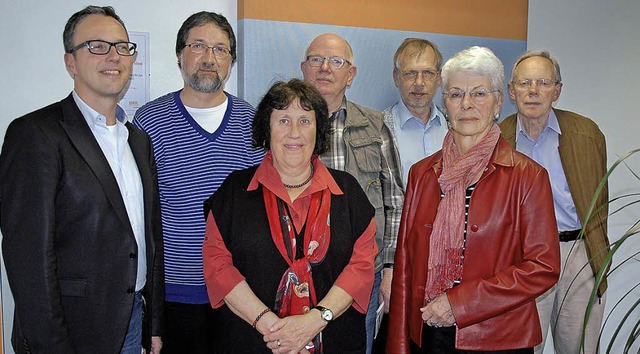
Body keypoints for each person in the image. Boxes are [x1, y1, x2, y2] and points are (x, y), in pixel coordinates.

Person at [0, 6, 163, 354]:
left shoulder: (137, 139)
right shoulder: (35, 134)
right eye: (97, 46)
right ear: (70, 62)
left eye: (122, 47)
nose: (114, 56)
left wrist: (154, 324)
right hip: (69, 332)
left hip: (132, 320)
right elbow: (28, 259)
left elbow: (150, 237)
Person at [387, 46, 561, 354]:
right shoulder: (422, 173)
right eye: (455, 94)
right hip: (429, 332)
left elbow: (542, 266)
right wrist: (399, 343)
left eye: (479, 94)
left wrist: (459, 304)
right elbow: (405, 265)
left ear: (498, 103)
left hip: (498, 337)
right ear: (446, 104)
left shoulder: (528, 176)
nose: (466, 104)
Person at [202, 78, 378, 353]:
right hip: (253, 341)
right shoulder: (234, 192)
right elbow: (217, 267)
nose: (294, 132)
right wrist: (270, 326)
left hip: (333, 340)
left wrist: (313, 322)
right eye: (283, 120)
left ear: (318, 130)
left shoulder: (348, 192)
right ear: (266, 129)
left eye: (305, 121)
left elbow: (361, 267)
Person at [133, 11, 265, 353]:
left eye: (220, 50)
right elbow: (141, 210)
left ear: (231, 61)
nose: (209, 58)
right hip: (175, 292)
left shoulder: (252, 120)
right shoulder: (149, 120)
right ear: (180, 54)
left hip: (240, 291)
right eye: (198, 46)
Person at [499, 50, 610, 354]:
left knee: (580, 347)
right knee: (523, 346)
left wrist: (596, 256)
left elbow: (600, 201)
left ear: (557, 91)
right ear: (511, 91)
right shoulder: (497, 138)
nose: (533, 91)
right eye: (524, 83)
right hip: (522, 257)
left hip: (577, 253)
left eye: (543, 82)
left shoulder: (586, 134)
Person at [301, 33, 404, 353]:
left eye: (336, 61)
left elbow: (395, 203)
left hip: (362, 276)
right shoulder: (286, 124)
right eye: (316, 60)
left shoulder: (375, 126)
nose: (325, 68)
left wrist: (389, 270)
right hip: (299, 275)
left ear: (351, 74)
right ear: (304, 68)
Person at [382, 38, 448, 188]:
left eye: (427, 73)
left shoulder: (455, 127)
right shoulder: (379, 130)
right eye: (410, 73)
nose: (419, 82)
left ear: (439, 78)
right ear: (396, 77)